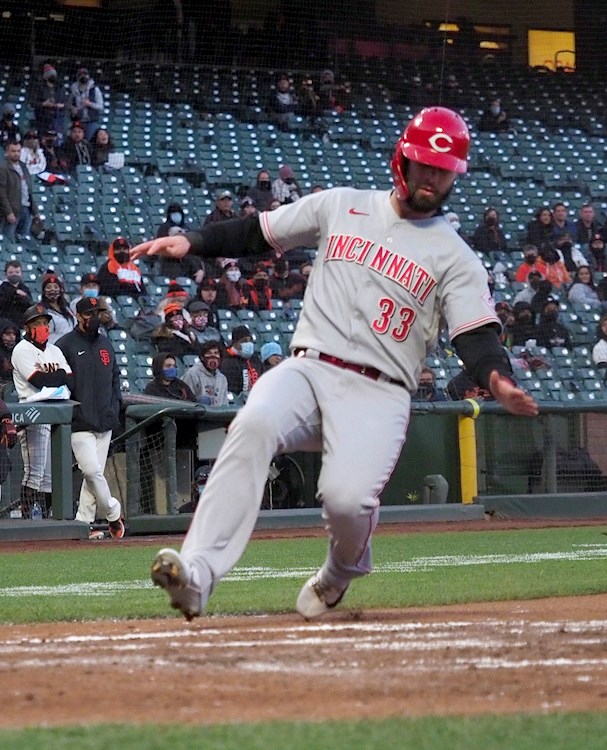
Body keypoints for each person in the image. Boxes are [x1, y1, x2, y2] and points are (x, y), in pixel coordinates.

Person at [132, 106, 537, 621]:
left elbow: (477, 335)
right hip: (310, 367)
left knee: (346, 503)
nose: (432, 177)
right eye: (424, 165)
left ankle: (338, 575)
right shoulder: (343, 205)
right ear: (403, 162)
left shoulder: (455, 256)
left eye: (443, 170)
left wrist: (497, 379)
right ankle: (196, 575)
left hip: (381, 390)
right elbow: (260, 231)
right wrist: (196, 241)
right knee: (253, 423)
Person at [55, 297, 126, 540]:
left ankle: (83, 524)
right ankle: (114, 513)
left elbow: (115, 377)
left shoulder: (106, 343)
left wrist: (114, 407)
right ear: (77, 315)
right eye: (88, 313)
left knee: (91, 477)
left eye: (96, 312)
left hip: (104, 421)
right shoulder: (65, 344)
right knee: (92, 470)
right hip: (80, 422)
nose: (93, 317)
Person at [12, 304, 71, 520]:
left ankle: (46, 518)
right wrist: (57, 377)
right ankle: (27, 519)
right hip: (32, 414)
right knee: (34, 472)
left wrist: (56, 378)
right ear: (28, 327)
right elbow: (38, 380)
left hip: (54, 413)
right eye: (37, 323)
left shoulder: (55, 350)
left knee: (48, 476)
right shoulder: (21, 349)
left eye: (45, 323)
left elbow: (69, 377)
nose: (43, 326)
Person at [0, 142, 36, 247]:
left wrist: (35, 211)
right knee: (8, 240)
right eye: (13, 151)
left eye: (18, 151)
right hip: (12, 209)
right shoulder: (3, 168)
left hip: (26, 208)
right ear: (7, 152)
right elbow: (1, 192)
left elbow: (29, 189)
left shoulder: (23, 167)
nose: (16, 153)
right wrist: (8, 212)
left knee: (24, 240)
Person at [220, 325, 263, 397]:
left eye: (250, 340)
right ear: (235, 343)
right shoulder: (226, 362)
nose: (248, 344)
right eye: (244, 341)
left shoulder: (255, 360)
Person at [181, 341, 229, 406]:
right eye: (209, 353)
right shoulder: (192, 374)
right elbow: (185, 401)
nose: (213, 356)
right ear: (202, 357)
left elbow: (224, 404)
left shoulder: (222, 378)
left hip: (217, 415)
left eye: (216, 353)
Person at [36, 271, 76, 342]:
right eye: (48, 287)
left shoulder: (67, 309)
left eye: (56, 287)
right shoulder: (41, 310)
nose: (52, 290)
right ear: (44, 291)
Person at [67, 68, 104, 141]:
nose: (83, 76)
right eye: (81, 75)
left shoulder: (95, 89)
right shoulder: (73, 89)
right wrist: (72, 108)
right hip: (78, 120)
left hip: (91, 121)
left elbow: (100, 106)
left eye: (85, 74)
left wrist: (90, 104)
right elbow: (68, 104)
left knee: (90, 141)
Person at [32, 63, 67, 138]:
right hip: (42, 119)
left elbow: (66, 103)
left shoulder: (60, 88)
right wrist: (44, 104)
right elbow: (33, 102)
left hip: (57, 118)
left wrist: (61, 105)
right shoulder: (39, 87)